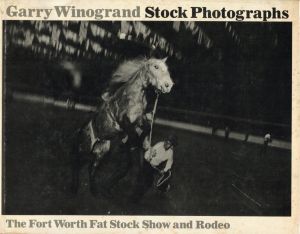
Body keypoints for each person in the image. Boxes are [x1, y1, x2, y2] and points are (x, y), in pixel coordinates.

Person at [130, 134, 178, 202]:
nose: (166, 144)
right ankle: (135, 196)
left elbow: (170, 162)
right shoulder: (159, 145)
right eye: (166, 142)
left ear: (172, 146)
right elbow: (149, 152)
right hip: (147, 163)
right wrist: (149, 157)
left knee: (146, 181)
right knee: (147, 181)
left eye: (169, 144)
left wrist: (165, 170)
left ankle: (136, 195)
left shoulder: (170, 152)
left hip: (153, 166)